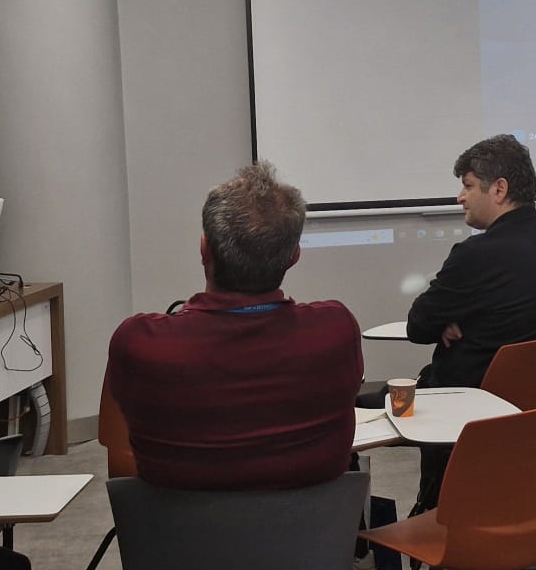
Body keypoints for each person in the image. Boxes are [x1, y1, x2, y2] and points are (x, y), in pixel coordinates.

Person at [106, 161, 362, 494]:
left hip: (180, 528)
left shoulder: (138, 344)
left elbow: (119, 439)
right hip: (311, 529)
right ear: (294, 256)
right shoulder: (336, 331)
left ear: (204, 249)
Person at [405, 135, 536, 507]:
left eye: (468, 186)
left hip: (470, 412)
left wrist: (446, 320)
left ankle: (430, 508)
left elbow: (417, 326)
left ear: (499, 189)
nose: (460, 197)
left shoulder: (477, 254)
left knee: (370, 402)